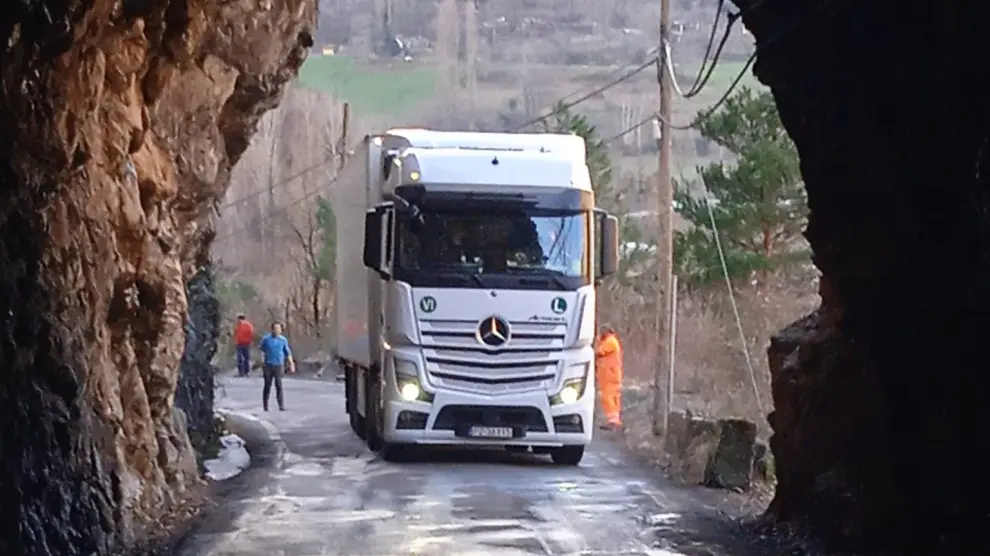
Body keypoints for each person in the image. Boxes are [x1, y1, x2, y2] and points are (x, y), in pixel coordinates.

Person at [258, 322, 295, 411]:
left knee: (279, 385)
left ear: (281, 330)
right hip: (268, 365)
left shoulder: (283, 340)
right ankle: (265, 405)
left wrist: (291, 364)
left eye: (278, 328)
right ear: (272, 329)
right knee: (267, 385)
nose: (277, 330)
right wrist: (262, 360)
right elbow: (262, 350)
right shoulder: (266, 339)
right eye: (275, 328)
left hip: (279, 365)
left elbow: (287, 353)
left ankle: (281, 405)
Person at [595, 325, 624, 430]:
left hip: (610, 375)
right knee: (613, 397)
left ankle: (612, 420)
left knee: (608, 397)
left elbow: (599, 352)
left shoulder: (610, 341)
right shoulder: (610, 341)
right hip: (609, 375)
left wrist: (598, 341)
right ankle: (614, 419)